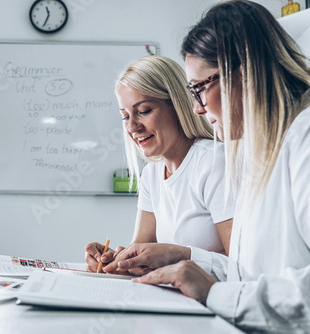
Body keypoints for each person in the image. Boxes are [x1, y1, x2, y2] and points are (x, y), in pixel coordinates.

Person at [108, 1, 310, 332]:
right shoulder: (258, 148)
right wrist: (180, 260)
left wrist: (217, 294)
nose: (195, 108)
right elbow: (249, 275)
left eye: (198, 89)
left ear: (243, 72)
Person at [85, 55, 235, 273]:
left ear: (177, 105)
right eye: (125, 116)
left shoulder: (213, 162)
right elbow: (140, 253)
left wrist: (179, 255)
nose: (133, 127)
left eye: (144, 111)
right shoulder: (151, 175)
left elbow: (245, 269)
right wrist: (113, 262)